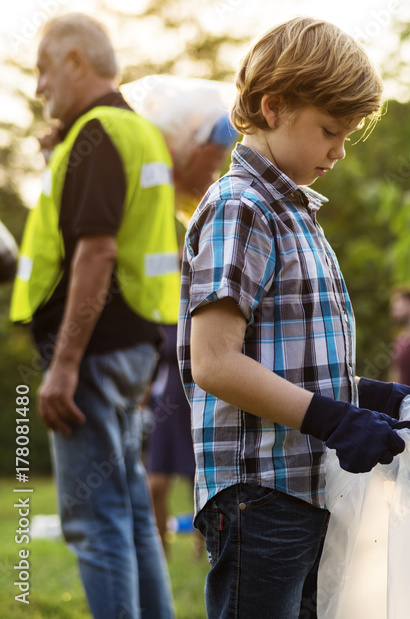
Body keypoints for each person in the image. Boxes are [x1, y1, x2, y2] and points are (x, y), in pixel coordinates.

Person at [177, 18, 410, 618]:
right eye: (330, 131)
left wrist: (375, 398)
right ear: (274, 107)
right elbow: (216, 363)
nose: (340, 150)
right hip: (259, 491)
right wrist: (336, 421)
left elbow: (293, 362)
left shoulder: (296, 214)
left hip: (308, 486)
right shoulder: (238, 208)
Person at [10, 13, 177, 618]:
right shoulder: (131, 131)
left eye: (43, 70)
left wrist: (64, 366)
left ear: (76, 62)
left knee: (93, 521)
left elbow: (99, 249)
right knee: (131, 513)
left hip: (92, 351)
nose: (37, 87)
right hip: (131, 343)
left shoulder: (96, 136)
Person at [121, 76, 241, 557]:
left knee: (199, 470)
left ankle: (199, 545)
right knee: (151, 476)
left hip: (197, 373)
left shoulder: (204, 210)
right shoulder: (144, 187)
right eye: (211, 156)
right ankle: (165, 544)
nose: (215, 171)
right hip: (166, 373)